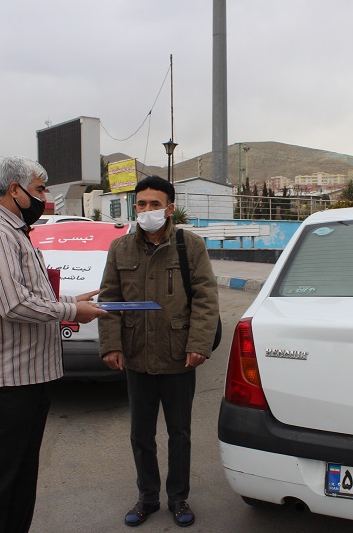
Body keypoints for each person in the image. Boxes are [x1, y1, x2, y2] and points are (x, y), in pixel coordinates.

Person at [0, 156, 108, 533]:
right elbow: (14, 304)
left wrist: (73, 298)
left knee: (19, 478)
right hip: (3, 382)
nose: (45, 198)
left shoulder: (13, 231)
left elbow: (27, 293)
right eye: (39, 189)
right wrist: (72, 310)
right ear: (15, 190)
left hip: (25, 377)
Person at [98, 175, 220, 528]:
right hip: (137, 355)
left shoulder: (190, 245)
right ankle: (148, 498)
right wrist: (111, 344)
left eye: (155, 204)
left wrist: (198, 344)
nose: (147, 210)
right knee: (141, 434)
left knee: (179, 433)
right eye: (141, 204)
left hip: (178, 355)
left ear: (169, 208)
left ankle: (178, 498)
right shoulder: (120, 248)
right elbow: (110, 298)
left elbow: (206, 298)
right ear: (134, 207)